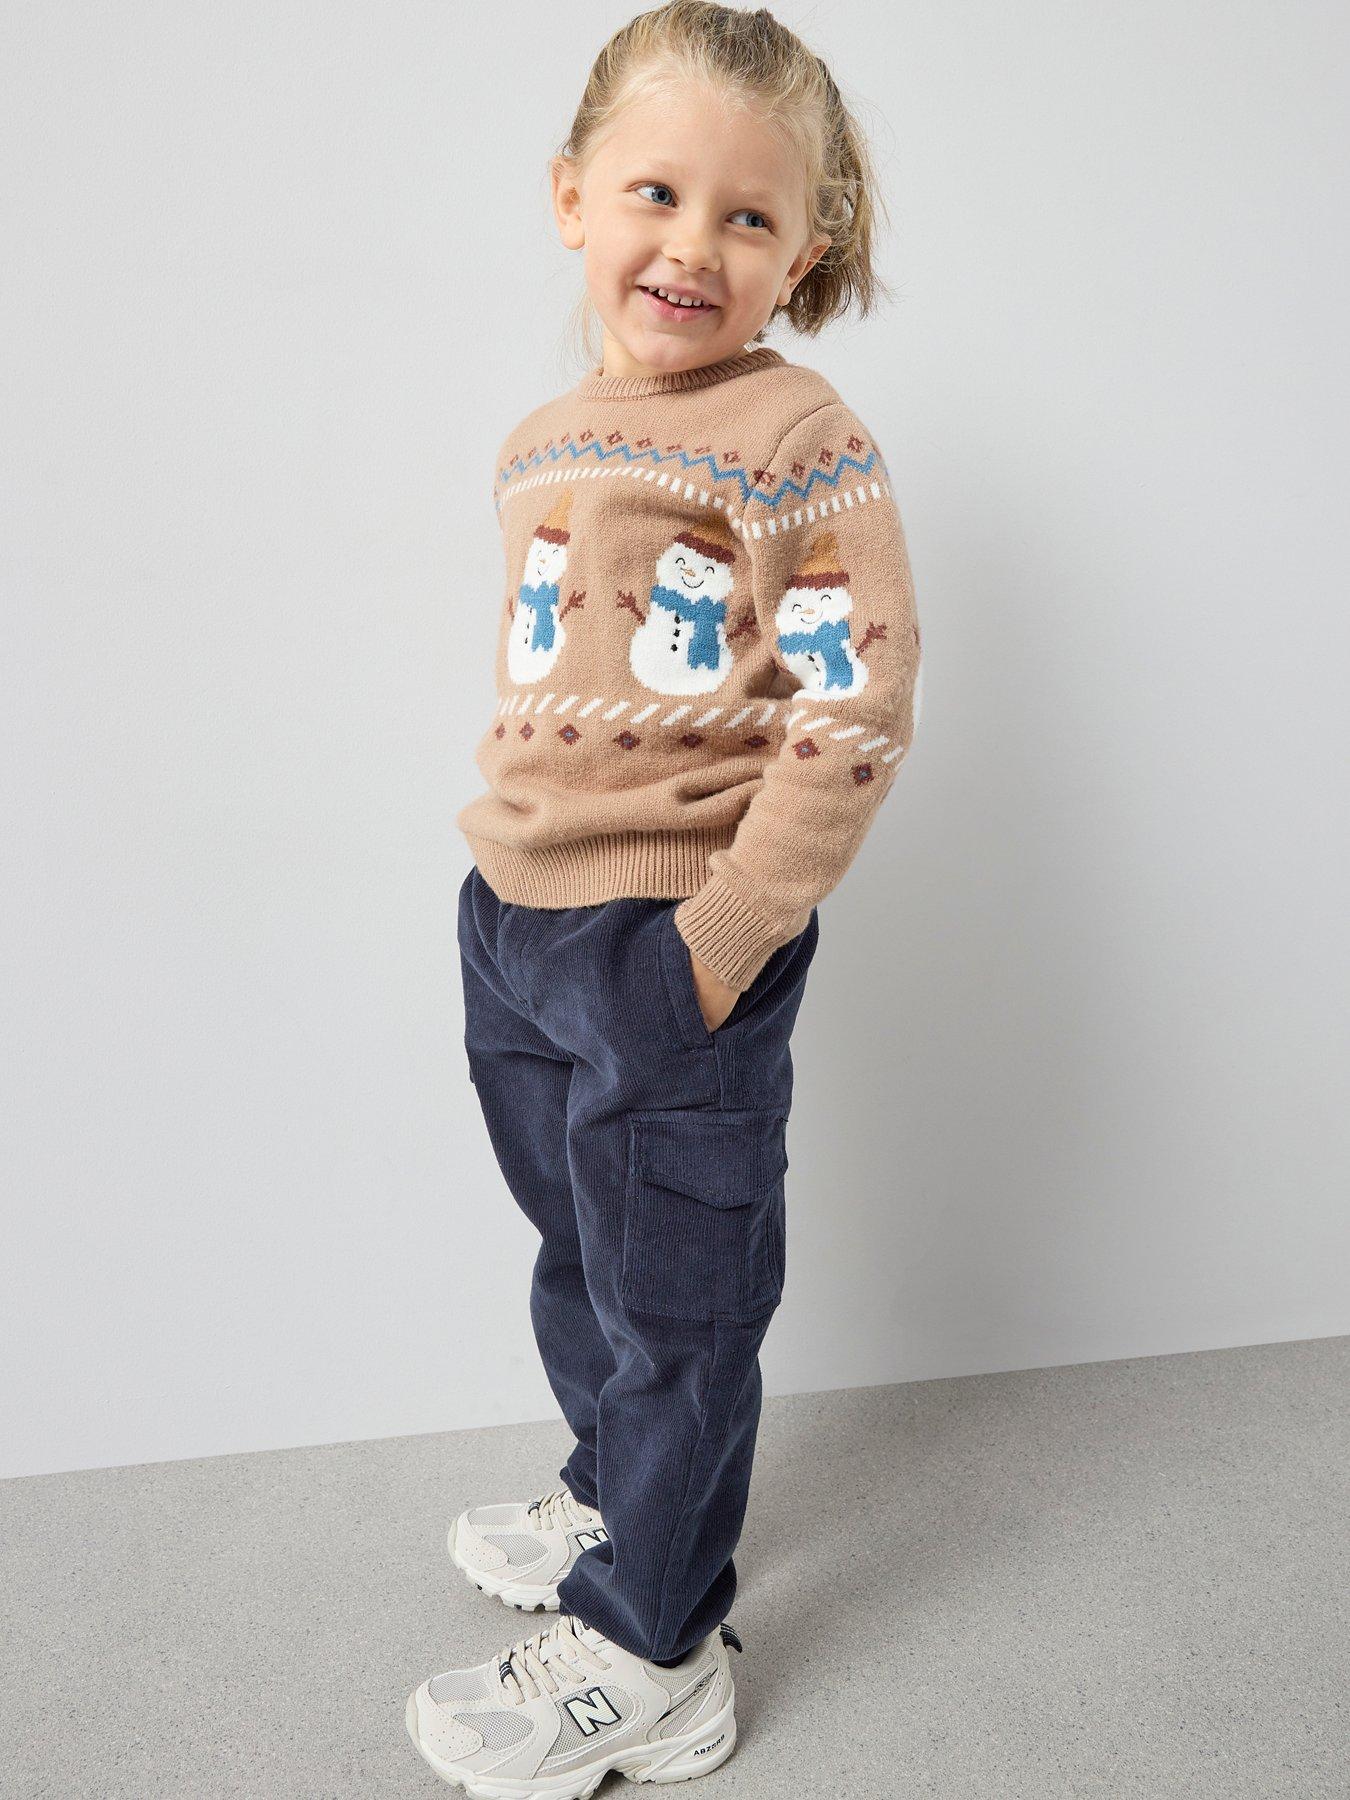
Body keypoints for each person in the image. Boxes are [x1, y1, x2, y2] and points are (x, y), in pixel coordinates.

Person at [405, 2, 922, 1790]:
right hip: (515, 923)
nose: (693, 245)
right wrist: (502, 891)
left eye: (748, 215)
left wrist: (721, 935)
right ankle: (614, 1494)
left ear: (805, 249)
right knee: (582, 1256)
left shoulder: (798, 434)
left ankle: (656, 1647)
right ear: (571, 197)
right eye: (654, 192)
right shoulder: (541, 438)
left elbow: (853, 704)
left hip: (665, 940)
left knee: (678, 1305)